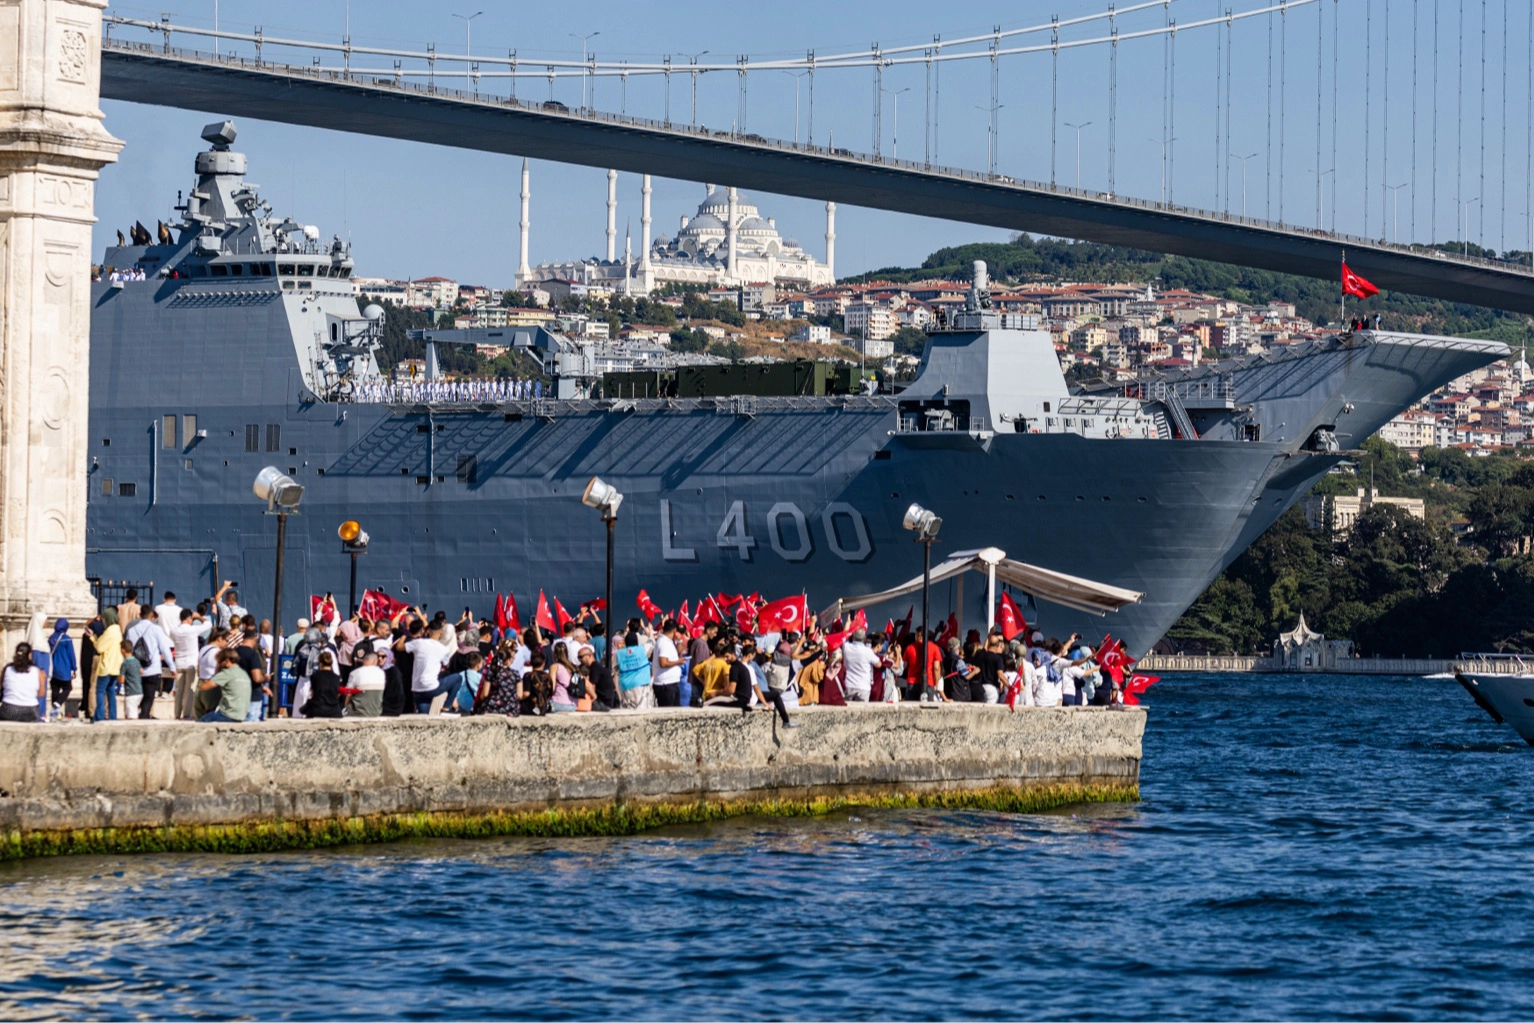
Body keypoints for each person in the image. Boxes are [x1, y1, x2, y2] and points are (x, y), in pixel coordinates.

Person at [124, 605, 174, 719]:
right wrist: (172, 667)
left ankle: (135, 717)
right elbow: (165, 649)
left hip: (136, 669)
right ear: (151, 615)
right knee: (148, 698)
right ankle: (144, 717)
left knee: (136, 697)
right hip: (152, 669)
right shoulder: (156, 629)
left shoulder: (131, 630)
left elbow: (127, 650)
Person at [406, 620, 457, 714]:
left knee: (424, 716)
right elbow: (445, 664)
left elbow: (401, 647)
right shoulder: (443, 649)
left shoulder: (418, 643)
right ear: (440, 632)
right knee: (458, 678)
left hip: (416, 689)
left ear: (428, 631)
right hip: (431, 687)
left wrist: (403, 637)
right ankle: (447, 706)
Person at [168, 608, 204, 720]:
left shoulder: (174, 630)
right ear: (189, 619)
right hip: (191, 663)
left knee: (178, 690)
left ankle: (177, 714)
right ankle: (186, 714)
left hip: (179, 663)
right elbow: (208, 624)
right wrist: (199, 617)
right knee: (189, 690)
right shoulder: (193, 630)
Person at [199, 648, 252, 723]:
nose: (218, 665)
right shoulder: (243, 674)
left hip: (228, 715)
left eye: (219, 662)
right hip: (242, 715)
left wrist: (215, 673)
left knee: (203, 720)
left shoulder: (226, 673)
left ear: (226, 661)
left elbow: (203, 687)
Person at [92, 609, 124, 722]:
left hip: (107, 666)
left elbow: (100, 647)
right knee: (111, 692)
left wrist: (93, 638)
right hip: (116, 666)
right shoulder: (118, 631)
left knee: (100, 691)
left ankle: (99, 716)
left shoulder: (109, 631)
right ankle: (112, 716)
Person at [473, 641, 521, 716]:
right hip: (511, 710)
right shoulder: (516, 674)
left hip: (492, 707)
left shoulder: (492, 670)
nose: (514, 655)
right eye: (514, 651)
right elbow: (519, 695)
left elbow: (485, 694)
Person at [0, 642, 46, 722]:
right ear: (30, 655)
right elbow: (41, 693)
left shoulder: (7, 669)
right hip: (30, 711)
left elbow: (2, 687)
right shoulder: (37, 671)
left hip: (8, 709)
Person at [234, 629, 269, 721]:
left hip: (238, 694)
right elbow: (257, 678)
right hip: (252, 695)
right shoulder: (253, 654)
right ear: (255, 638)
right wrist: (265, 678)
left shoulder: (235, 652)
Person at [839, 630, 882, 702]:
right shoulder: (868, 651)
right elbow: (878, 664)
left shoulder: (846, 647)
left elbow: (843, 637)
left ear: (853, 637)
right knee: (862, 712)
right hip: (863, 687)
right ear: (864, 638)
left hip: (848, 685)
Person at [615, 631, 654, 709]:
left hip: (626, 686)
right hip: (641, 684)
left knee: (629, 709)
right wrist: (649, 631)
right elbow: (652, 643)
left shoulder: (619, 653)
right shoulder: (642, 649)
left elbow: (615, 669)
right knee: (642, 708)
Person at [47, 618, 77, 719]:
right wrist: (74, 668)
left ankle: (54, 714)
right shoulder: (67, 639)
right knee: (68, 688)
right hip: (64, 669)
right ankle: (58, 703)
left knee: (55, 690)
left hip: (54, 669)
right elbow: (71, 655)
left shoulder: (51, 638)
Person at [300, 650, 344, 719]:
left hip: (317, 710)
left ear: (320, 664)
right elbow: (338, 694)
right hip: (334, 711)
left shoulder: (314, 676)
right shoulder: (337, 678)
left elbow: (312, 694)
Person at [651, 619, 685, 708]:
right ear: (674, 631)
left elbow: (678, 652)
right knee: (668, 712)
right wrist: (678, 662)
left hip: (671, 683)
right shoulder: (663, 642)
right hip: (666, 685)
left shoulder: (668, 641)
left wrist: (680, 640)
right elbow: (663, 662)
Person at [346, 648, 387, 717]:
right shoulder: (382, 673)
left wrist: (346, 707)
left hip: (356, 712)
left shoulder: (355, 673)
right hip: (376, 712)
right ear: (375, 661)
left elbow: (348, 694)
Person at [577, 646, 618, 711]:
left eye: (581, 657)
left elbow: (592, 687)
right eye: (578, 657)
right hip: (608, 701)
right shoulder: (598, 667)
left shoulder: (594, 668)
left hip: (603, 703)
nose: (579, 660)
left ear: (589, 655)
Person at [695, 639, 733, 705]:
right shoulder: (725, 665)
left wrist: (703, 682)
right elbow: (727, 682)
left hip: (705, 694)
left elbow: (695, 670)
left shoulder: (707, 663)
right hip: (716, 695)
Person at [549, 644, 583, 712]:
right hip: (573, 705)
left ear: (554, 653)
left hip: (558, 703)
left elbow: (551, 687)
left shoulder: (555, 666)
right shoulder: (573, 668)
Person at [519, 651, 554, 716]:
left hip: (531, 708)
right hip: (543, 708)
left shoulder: (528, 675)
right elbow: (550, 693)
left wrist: (517, 699)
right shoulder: (548, 677)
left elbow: (526, 694)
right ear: (543, 663)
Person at [118, 641, 144, 719]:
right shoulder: (136, 661)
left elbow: (121, 680)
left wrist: (118, 677)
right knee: (133, 712)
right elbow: (142, 671)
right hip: (139, 691)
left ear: (123, 650)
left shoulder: (125, 663)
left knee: (132, 716)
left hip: (131, 693)